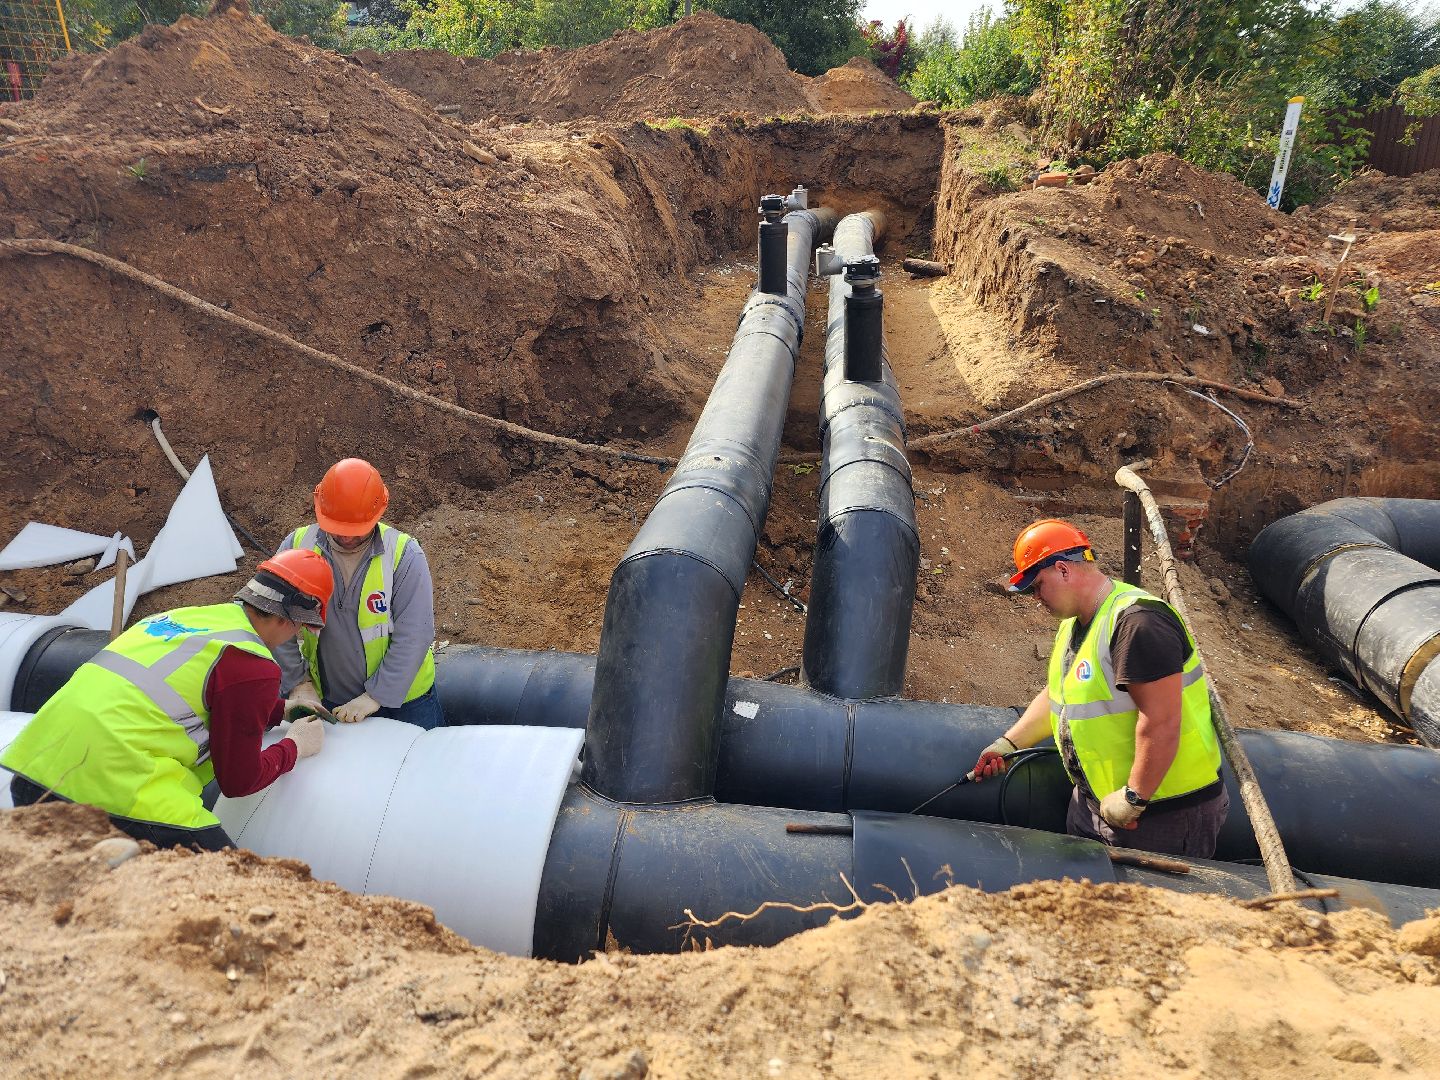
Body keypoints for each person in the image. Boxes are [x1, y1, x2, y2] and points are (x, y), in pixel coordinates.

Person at [2, 550, 334, 851]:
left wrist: (279, 710)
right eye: (300, 627)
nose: (295, 635)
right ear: (285, 617)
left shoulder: (182, 619)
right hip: (117, 785)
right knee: (232, 887)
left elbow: (176, 693)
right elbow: (238, 780)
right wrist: (294, 747)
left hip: (39, 771)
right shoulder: (253, 664)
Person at [973, 519, 1229, 857]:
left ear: (1063, 570)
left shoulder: (1138, 623)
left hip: (1158, 815)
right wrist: (1009, 743)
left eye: (1038, 586)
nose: (1036, 598)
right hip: (1095, 804)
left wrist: (1134, 797)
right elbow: (1059, 696)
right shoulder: (1075, 625)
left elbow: (1162, 720)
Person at [277, 458, 442, 730]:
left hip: (405, 705)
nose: (347, 538)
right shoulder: (297, 546)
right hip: (328, 701)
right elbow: (274, 618)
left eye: (356, 530)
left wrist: (376, 695)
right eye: (338, 529)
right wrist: (299, 682)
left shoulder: (403, 555)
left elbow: (415, 633)